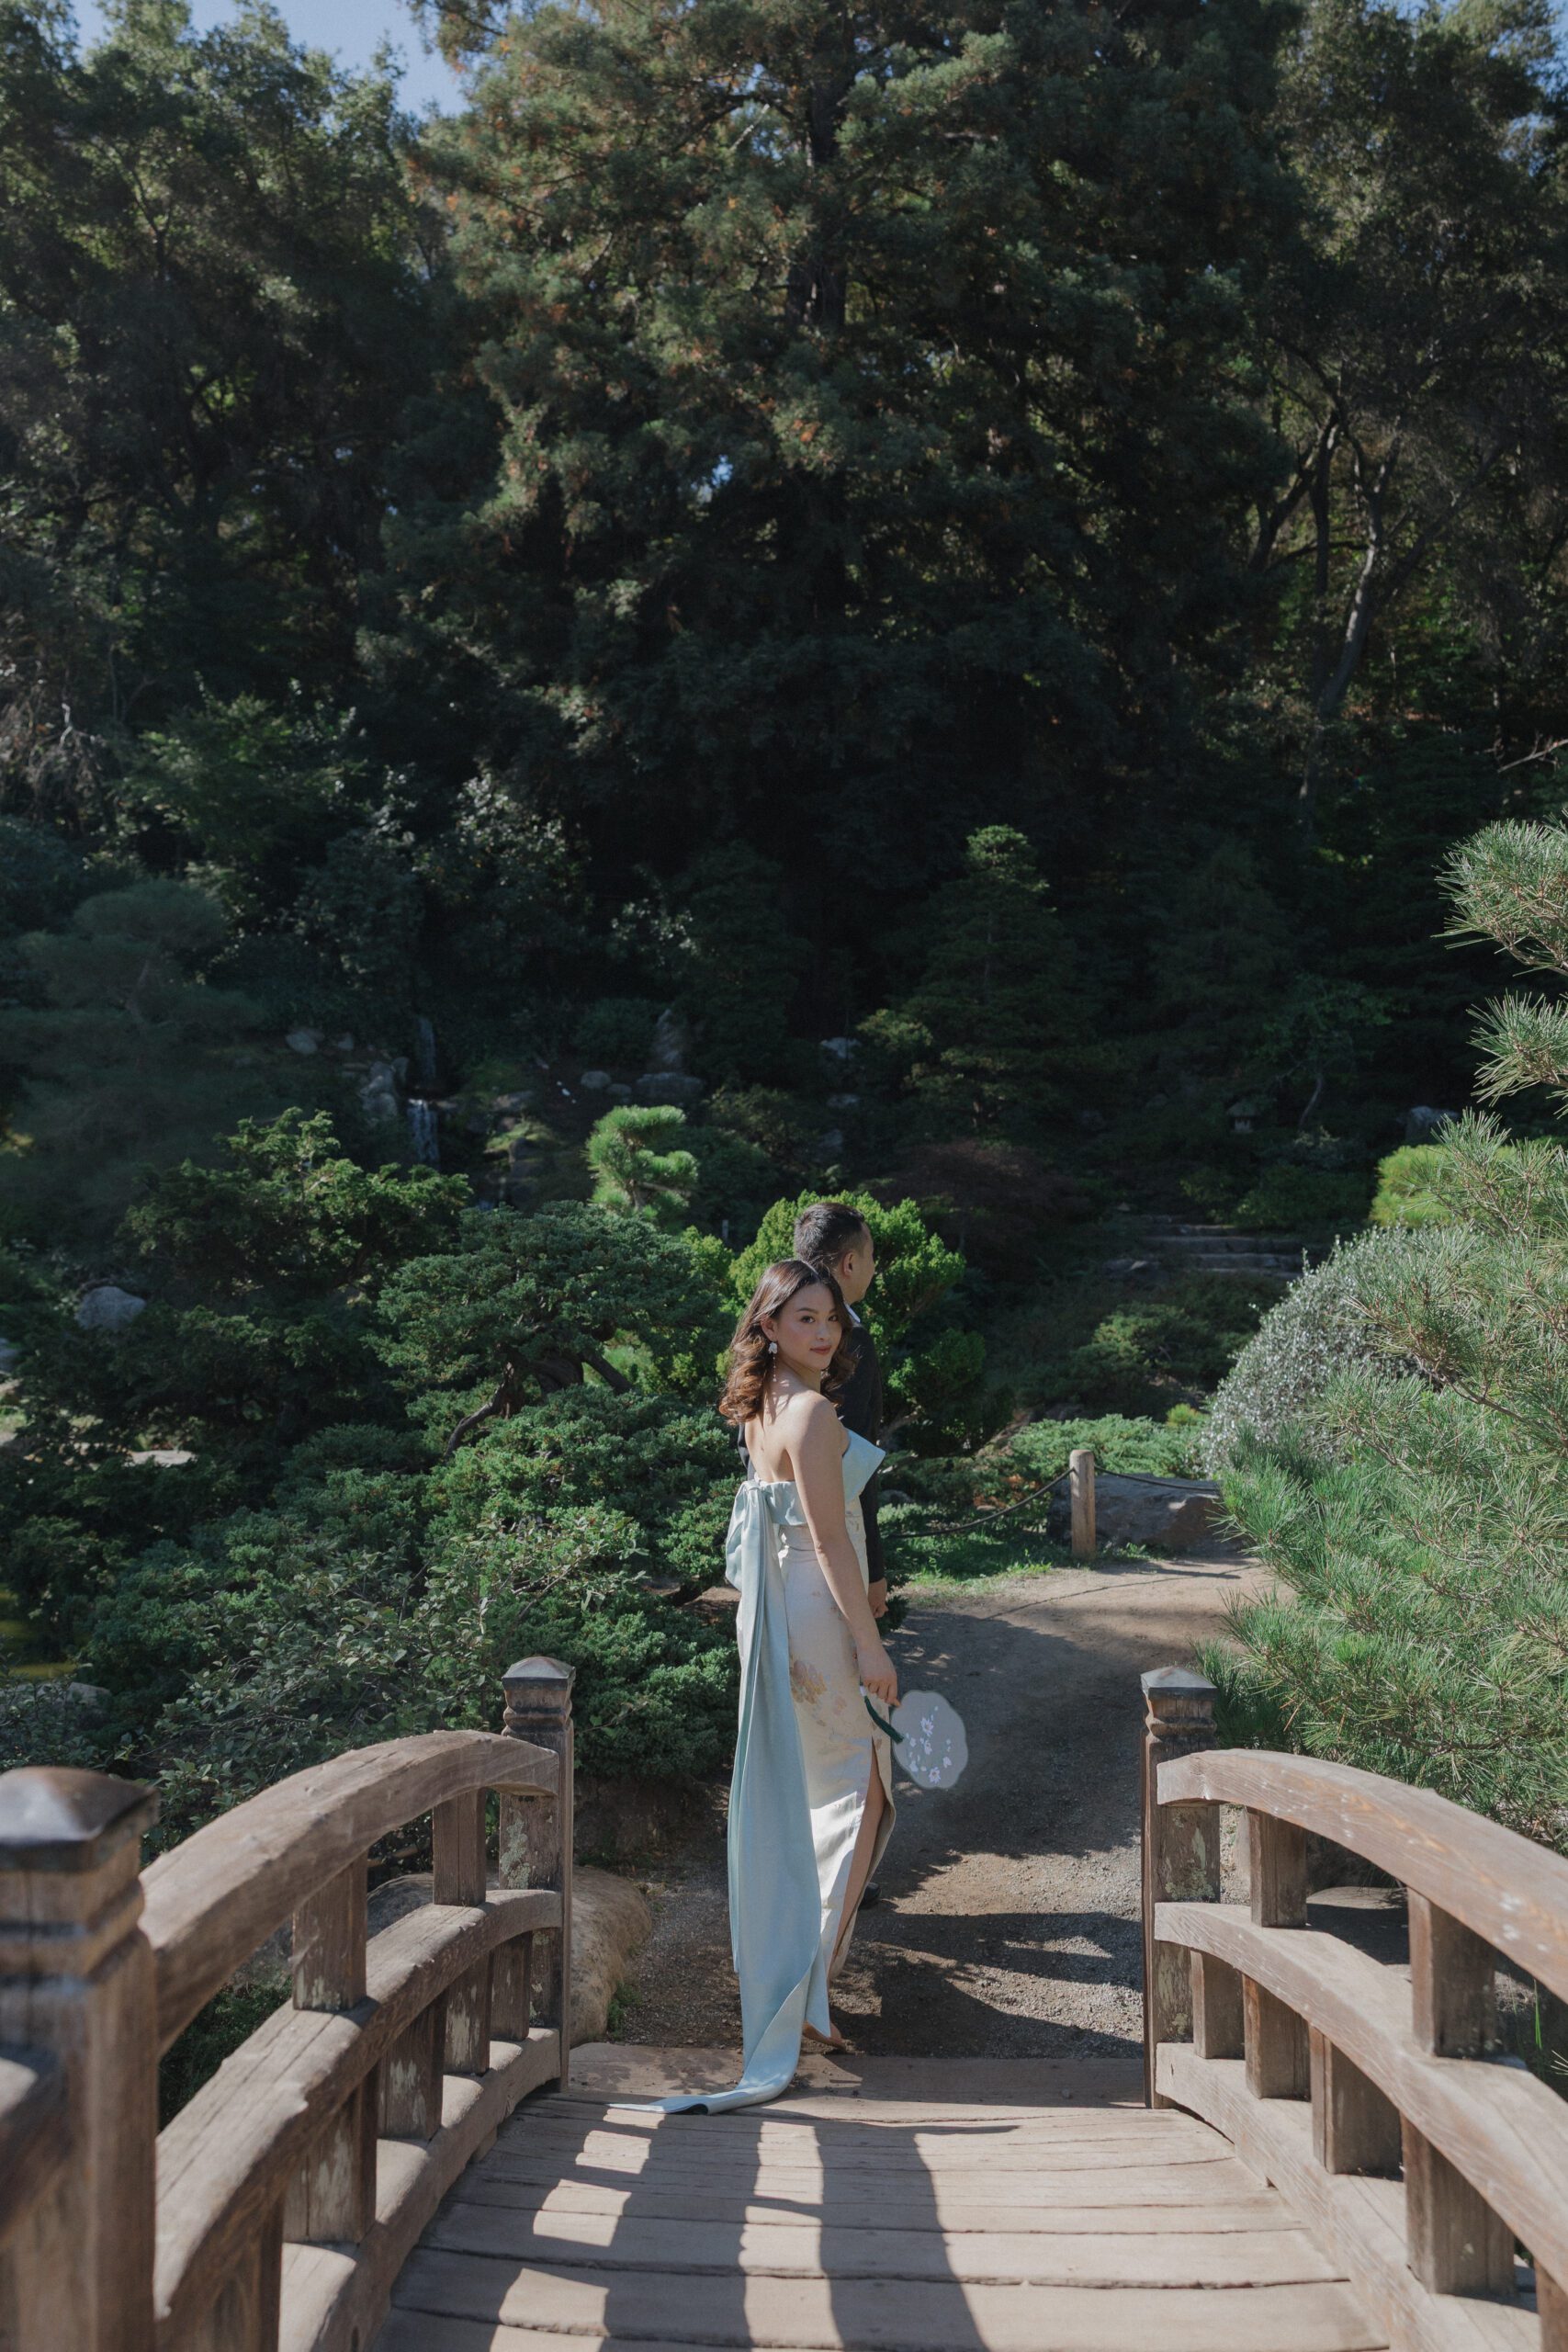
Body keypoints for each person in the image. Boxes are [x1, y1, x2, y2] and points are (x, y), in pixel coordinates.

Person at [650, 1258, 898, 2113]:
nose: (824, 1333)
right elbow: (833, 1545)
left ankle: (804, 1981)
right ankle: (808, 1986)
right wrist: (871, 1647)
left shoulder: (762, 1407)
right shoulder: (814, 1412)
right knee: (861, 1788)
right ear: (767, 1327)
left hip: (776, 1612)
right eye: (802, 1319)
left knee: (816, 1790)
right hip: (819, 1613)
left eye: (830, 1317)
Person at [791, 1202, 888, 1621]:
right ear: (850, 1262)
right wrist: (875, 1569)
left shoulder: (779, 1329)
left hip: (776, 1541)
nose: (874, 1268)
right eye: (870, 1257)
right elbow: (853, 1464)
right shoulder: (850, 1341)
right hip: (835, 1546)